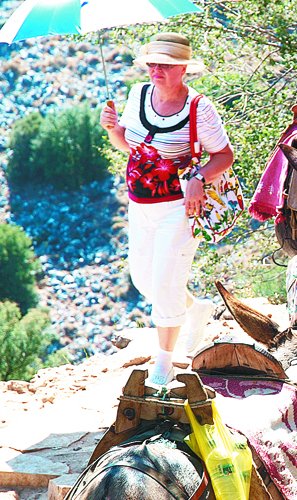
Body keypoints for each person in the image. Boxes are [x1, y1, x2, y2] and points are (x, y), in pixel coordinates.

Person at [99, 32, 233, 387]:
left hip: (179, 208)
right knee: (144, 280)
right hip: (139, 203)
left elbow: (224, 155)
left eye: (166, 64)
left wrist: (199, 178)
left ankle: (165, 363)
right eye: (153, 63)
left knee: (165, 283)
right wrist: (111, 128)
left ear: (184, 68)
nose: (157, 69)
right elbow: (127, 145)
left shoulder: (199, 108)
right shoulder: (138, 94)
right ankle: (196, 309)